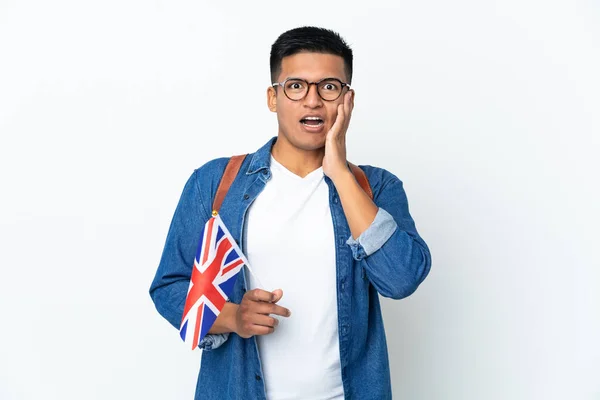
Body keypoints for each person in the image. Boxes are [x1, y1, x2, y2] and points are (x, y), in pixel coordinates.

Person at [149, 26, 432, 400]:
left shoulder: (374, 188)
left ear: (347, 100)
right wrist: (234, 317)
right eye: (296, 86)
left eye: (329, 87)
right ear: (273, 97)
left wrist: (340, 173)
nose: (312, 101)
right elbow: (170, 287)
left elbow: (401, 279)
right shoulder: (216, 183)